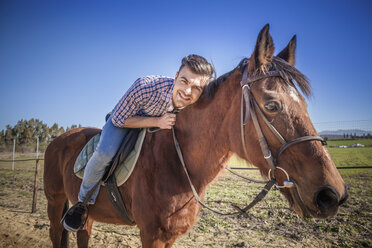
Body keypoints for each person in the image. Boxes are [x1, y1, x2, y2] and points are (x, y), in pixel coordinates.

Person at [63, 54, 215, 232]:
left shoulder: (198, 104)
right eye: (184, 81)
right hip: (127, 120)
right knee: (105, 153)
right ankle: (82, 203)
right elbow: (120, 120)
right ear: (175, 77)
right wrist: (157, 122)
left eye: (196, 88)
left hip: (161, 124)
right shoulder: (146, 86)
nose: (188, 91)